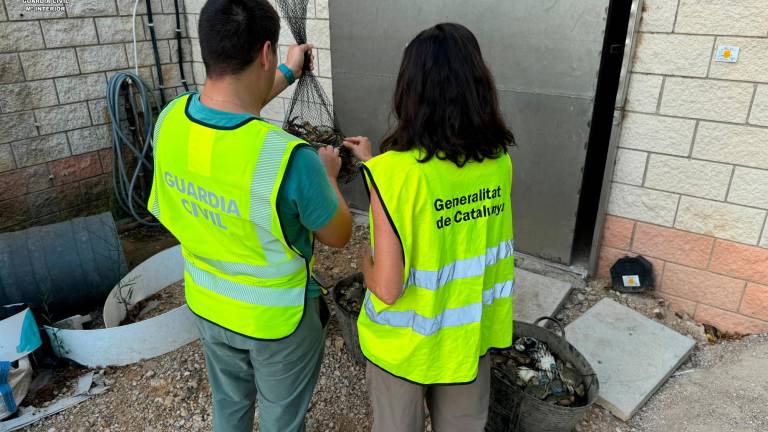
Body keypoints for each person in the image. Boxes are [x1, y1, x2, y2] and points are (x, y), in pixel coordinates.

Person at [147, 1, 352, 431]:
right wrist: (329, 175)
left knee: (230, 408)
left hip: (208, 305)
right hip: (277, 323)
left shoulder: (169, 122)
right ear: (264, 54)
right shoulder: (289, 159)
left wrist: (291, 72)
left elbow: (229, 107)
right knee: (281, 420)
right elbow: (338, 234)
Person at [342, 23, 516, 432]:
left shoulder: (392, 175)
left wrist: (362, 260)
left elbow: (386, 287)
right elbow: (447, 217)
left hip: (405, 349)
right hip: (468, 338)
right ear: (479, 85)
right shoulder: (499, 163)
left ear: (409, 91)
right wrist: (377, 169)